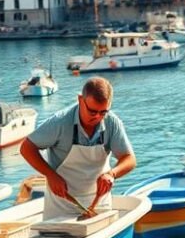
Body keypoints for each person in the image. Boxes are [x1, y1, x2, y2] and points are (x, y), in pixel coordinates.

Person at [20, 77, 136, 220]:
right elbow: (26, 148)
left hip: (100, 207)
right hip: (61, 209)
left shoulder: (112, 123)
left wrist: (112, 174)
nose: (98, 117)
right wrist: (51, 175)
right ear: (80, 100)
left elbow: (129, 159)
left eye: (103, 112)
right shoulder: (60, 122)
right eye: (93, 112)